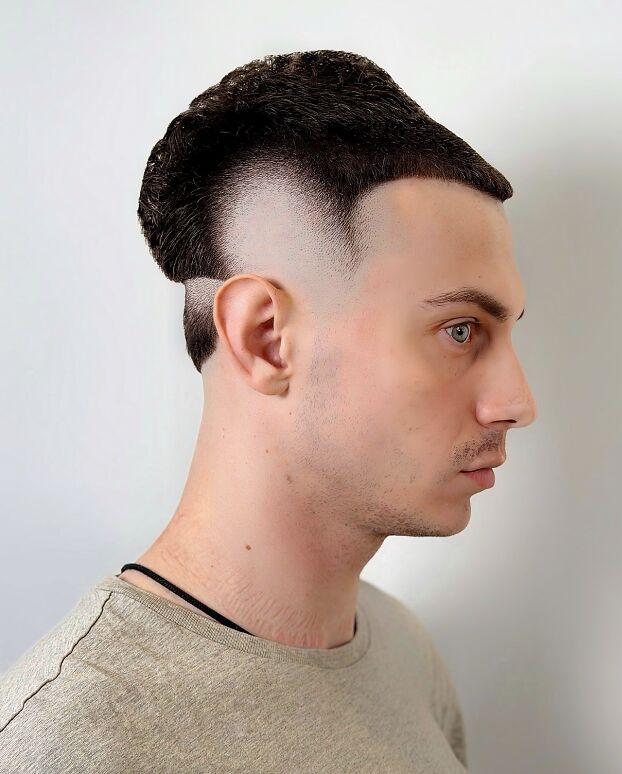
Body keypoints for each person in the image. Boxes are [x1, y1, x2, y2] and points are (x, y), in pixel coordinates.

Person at [0, 49, 537, 772]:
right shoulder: (73, 744)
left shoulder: (401, 651)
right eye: (461, 330)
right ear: (266, 339)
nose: (517, 403)